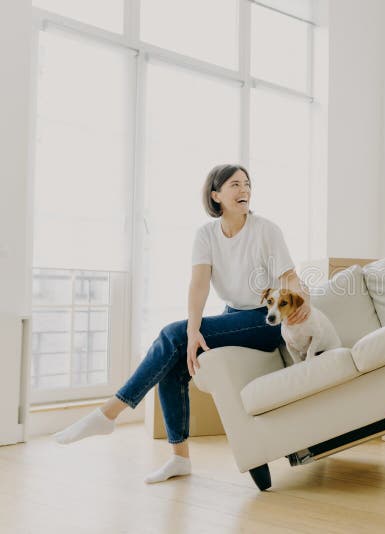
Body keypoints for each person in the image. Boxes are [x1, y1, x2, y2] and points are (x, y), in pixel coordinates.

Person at [54, 163, 310, 483]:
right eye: (235, 185)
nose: (244, 190)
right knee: (176, 353)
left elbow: (289, 276)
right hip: (233, 314)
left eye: (247, 184)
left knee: (170, 335)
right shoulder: (205, 235)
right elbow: (198, 284)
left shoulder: (266, 229)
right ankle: (179, 458)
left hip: (265, 319)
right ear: (216, 195)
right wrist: (193, 330)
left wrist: (303, 300)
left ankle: (110, 412)